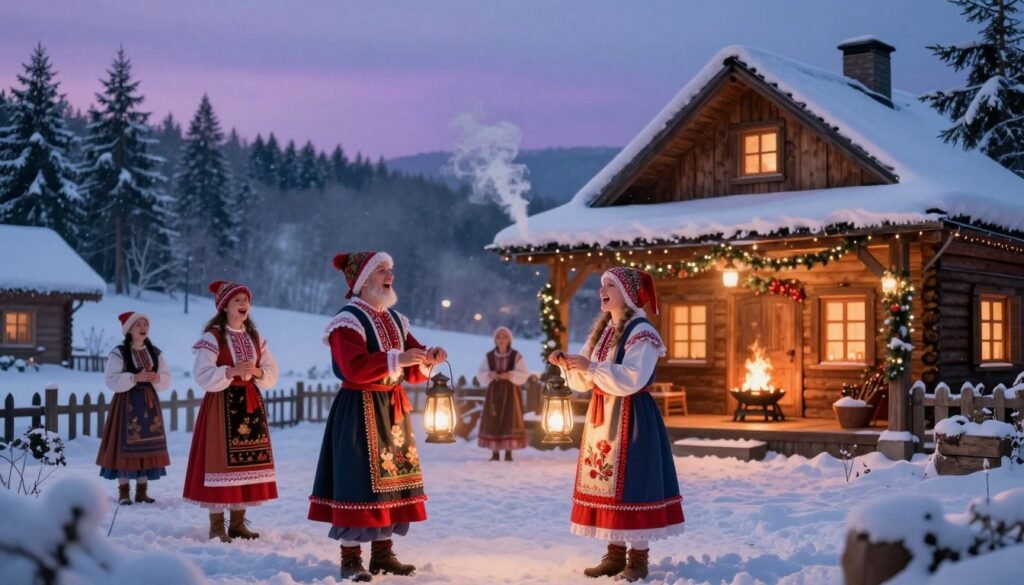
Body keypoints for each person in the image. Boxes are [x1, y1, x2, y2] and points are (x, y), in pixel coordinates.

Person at [309, 251, 448, 582]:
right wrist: (399, 359)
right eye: (383, 270)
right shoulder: (349, 320)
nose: (390, 275)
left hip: (391, 410)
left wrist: (429, 357)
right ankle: (351, 558)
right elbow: (352, 368)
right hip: (359, 410)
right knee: (358, 482)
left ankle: (383, 555)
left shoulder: (396, 319)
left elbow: (411, 366)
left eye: (391, 269)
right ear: (363, 280)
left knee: (392, 482)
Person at [548, 267, 684, 582]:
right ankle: (614, 554)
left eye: (610, 284)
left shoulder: (642, 332)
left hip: (631, 414)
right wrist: (569, 364)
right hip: (604, 414)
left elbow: (634, 377)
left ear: (627, 292)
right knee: (608, 486)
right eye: (600, 285)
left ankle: (638, 559)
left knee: (633, 484)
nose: (602, 290)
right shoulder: (602, 331)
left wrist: (592, 367)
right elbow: (584, 379)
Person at [183, 280, 280, 543]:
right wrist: (231, 372)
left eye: (246, 299)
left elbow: (272, 372)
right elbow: (202, 375)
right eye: (237, 300)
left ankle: (237, 523)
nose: (244, 304)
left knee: (246, 462)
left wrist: (257, 372)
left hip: (249, 404)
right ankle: (217, 526)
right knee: (220, 462)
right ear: (225, 306)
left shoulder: (255, 338)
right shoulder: (213, 338)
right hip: (221, 404)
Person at [96, 311, 171, 505]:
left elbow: (166, 377)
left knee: (147, 444)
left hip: (148, 402)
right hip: (126, 403)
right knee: (126, 445)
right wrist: (134, 378)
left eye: (145, 324)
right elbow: (111, 380)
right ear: (129, 329)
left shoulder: (155, 352)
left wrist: (157, 378)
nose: (143, 328)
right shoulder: (119, 353)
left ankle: (142, 491)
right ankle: (124, 492)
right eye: (138, 324)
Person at [476, 326, 529, 461]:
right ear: (495, 340)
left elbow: (524, 374)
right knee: (493, 418)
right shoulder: (490, 356)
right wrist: (490, 374)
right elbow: (480, 374)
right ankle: (494, 453)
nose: (501, 340)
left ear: (509, 339)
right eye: (499, 337)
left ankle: (508, 452)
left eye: (504, 337)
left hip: (511, 392)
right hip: (494, 392)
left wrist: (510, 375)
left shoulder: (516, 356)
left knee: (509, 418)